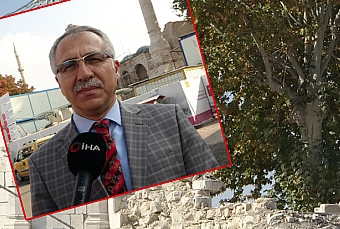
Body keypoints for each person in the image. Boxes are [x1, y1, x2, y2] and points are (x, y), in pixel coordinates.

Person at [28, 25, 219, 217]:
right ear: (59, 83)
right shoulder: (42, 164)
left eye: (94, 59)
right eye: (69, 66)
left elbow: (212, 188)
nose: (84, 73)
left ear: (116, 69)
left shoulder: (170, 120)